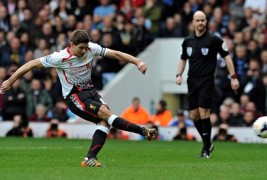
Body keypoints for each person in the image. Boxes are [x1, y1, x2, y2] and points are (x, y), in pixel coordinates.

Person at [0, 29, 157, 167]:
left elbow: (115, 54)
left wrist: (138, 61)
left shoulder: (91, 48)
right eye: (80, 48)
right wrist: (10, 81)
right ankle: (142, 130)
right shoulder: (59, 57)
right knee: (105, 114)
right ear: (71, 45)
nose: (84, 51)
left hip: (91, 91)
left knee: (104, 122)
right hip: (74, 96)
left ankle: (90, 158)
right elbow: (31, 64)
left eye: (85, 47)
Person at [175, 11, 240, 158]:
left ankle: (205, 149)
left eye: (202, 20)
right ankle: (208, 144)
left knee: (204, 112)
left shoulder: (214, 40)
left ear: (206, 21)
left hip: (206, 80)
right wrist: (179, 75)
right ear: (193, 22)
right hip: (192, 80)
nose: (200, 23)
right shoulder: (187, 41)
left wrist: (233, 77)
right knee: (194, 115)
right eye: (197, 20)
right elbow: (183, 58)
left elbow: (227, 57)